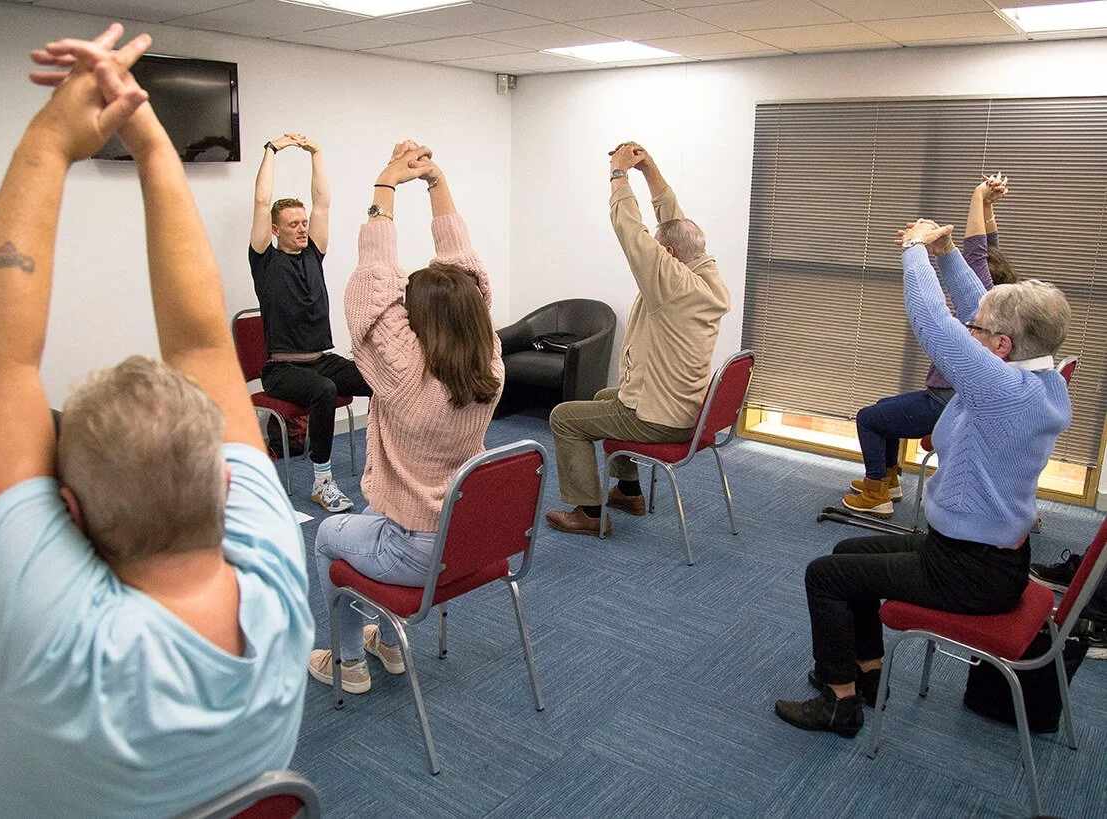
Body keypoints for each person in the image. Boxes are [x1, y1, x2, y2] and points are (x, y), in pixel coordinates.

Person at [0, 25, 313, 815]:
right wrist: (150, 143)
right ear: (224, 480)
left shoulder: (44, 639)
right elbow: (206, 343)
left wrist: (49, 141)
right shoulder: (277, 574)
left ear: (67, 514)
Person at [775, 216, 1072, 737]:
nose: (968, 330)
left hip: (969, 572)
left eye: (975, 329)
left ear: (1000, 347)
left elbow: (934, 324)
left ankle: (838, 701)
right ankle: (868, 673)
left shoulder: (1001, 391)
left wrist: (913, 250)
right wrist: (948, 251)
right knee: (846, 555)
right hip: (976, 556)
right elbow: (986, 306)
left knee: (824, 576)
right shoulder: (1040, 379)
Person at [307, 140, 503, 693]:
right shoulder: (488, 360)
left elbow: (373, 283)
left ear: (418, 321)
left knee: (326, 536)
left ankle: (346, 662)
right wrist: (436, 181)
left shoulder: (404, 376)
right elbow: (468, 274)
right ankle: (388, 644)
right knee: (371, 509)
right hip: (462, 536)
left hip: (415, 548)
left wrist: (386, 185)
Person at [545, 142, 730, 536]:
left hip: (660, 419)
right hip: (686, 410)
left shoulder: (671, 285)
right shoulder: (705, 274)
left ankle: (589, 514)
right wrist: (650, 170)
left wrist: (618, 174)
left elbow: (630, 230)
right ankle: (628, 491)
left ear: (667, 254)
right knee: (601, 399)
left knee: (564, 419)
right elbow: (675, 221)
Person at [844, 174, 1017, 517]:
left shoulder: (983, 301)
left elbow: (977, 251)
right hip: (959, 400)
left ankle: (875, 492)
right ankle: (888, 480)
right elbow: (989, 247)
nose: (971, 266)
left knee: (868, 417)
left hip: (948, 404)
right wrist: (986, 205)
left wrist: (976, 194)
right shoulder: (1004, 300)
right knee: (883, 408)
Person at [250, 128, 371, 513]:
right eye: (292, 224)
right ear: (275, 230)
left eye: (303, 223)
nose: (302, 228)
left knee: (383, 380)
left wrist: (316, 151)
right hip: (282, 369)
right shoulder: (264, 260)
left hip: (322, 357)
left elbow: (323, 203)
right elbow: (260, 200)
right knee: (321, 391)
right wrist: (272, 150)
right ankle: (322, 481)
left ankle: (390, 463)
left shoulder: (314, 253)